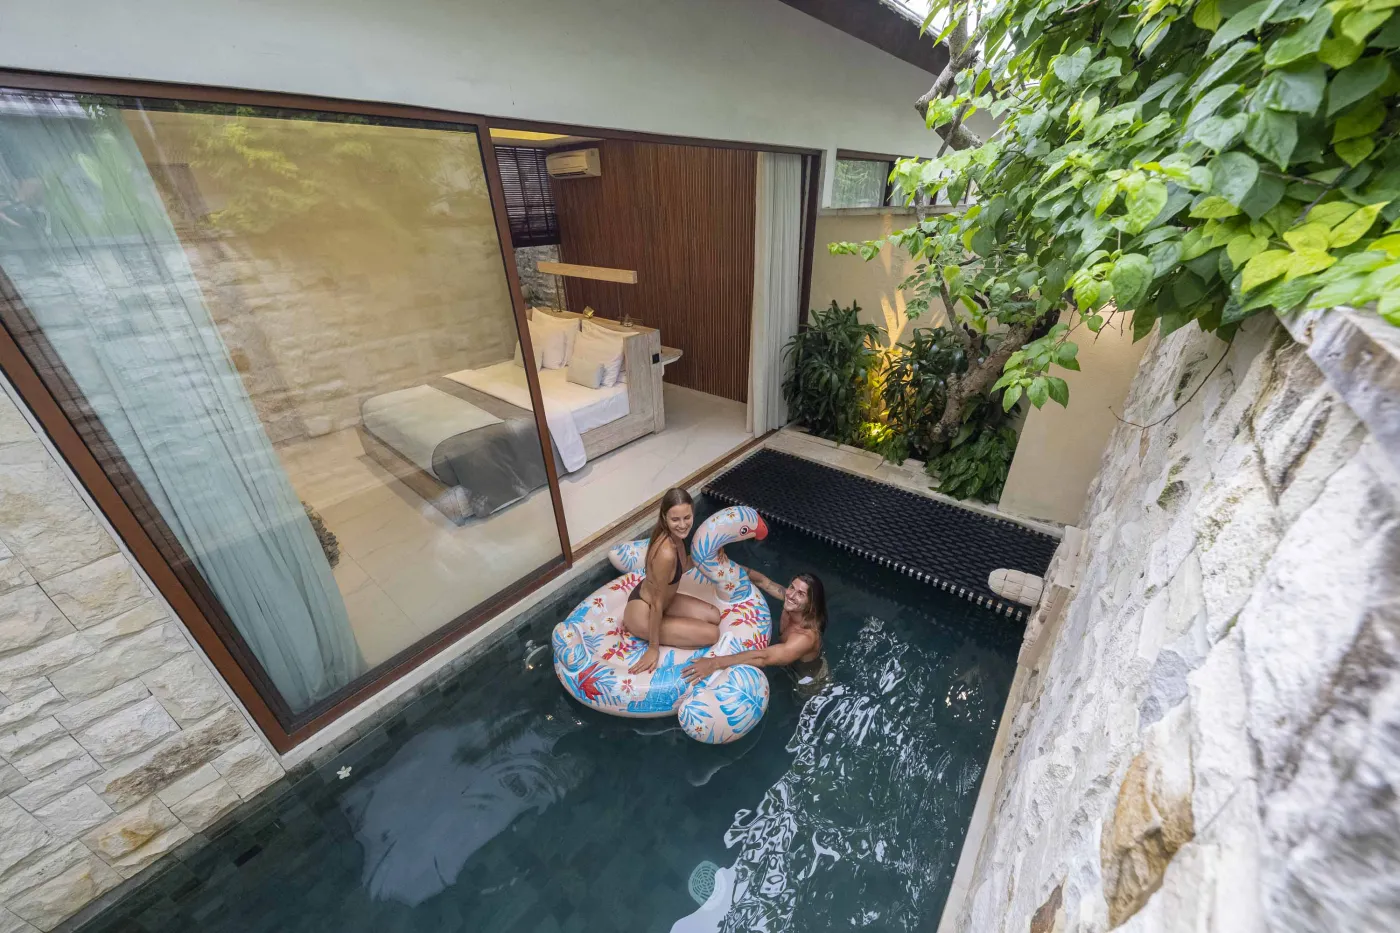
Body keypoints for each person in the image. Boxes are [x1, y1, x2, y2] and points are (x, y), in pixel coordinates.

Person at [624, 488, 722, 674]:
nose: (683, 525)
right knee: (712, 634)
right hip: (644, 612)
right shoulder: (666, 553)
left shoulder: (677, 537)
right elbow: (656, 603)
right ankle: (666, 635)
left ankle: (674, 629)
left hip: (662, 601)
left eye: (687, 517)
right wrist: (653, 648)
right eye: (675, 519)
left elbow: (682, 566)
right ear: (664, 517)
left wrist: (712, 550)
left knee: (714, 615)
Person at [682, 569, 828, 691]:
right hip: (786, 657)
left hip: (807, 679)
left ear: (811, 604)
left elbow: (763, 658)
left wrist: (713, 663)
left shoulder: (805, 637)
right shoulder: (791, 601)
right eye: (792, 587)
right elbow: (763, 582)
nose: (791, 595)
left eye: (801, 594)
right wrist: (725, 566)